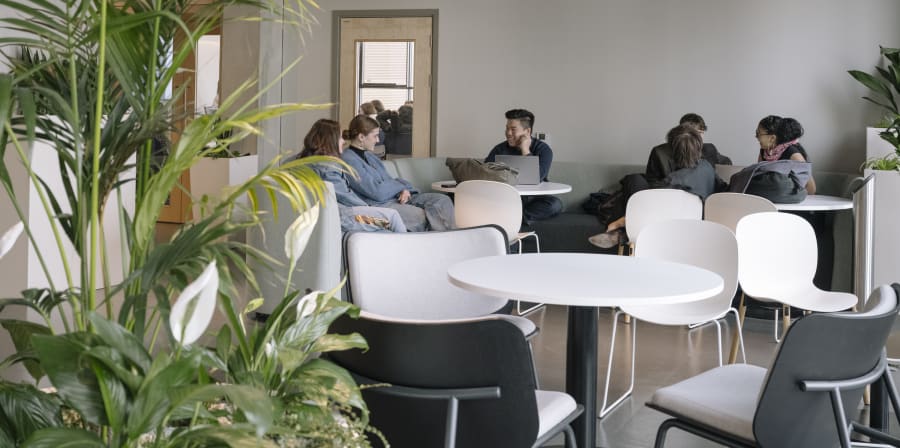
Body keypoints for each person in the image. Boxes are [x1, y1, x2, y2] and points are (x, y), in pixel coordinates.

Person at [589, 125, 719, 248]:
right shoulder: (707, 168)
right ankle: (622, 232)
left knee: (633, 181)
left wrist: (621, 221)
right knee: (634, 180)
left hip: (664, 221)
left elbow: (654, 207)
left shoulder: (671, 181)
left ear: (672, 150)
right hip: (693, 221)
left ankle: (621, 231)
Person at [341, 115, 455, 231]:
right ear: (361, 137)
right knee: (420, 216)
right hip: (381, 205)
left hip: (397, 196)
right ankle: (442, 241)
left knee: (442, 200)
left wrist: (404, 190)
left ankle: (446, 238)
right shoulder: (349, 160)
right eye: (375, 136)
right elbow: (377, 192)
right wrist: (401, 186)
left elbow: (389, 179)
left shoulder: (369, 155)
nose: (378, 140)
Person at [298, 119, 407, 233]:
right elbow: (346, 197)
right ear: (331, 140)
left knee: (386, 228)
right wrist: (369, 209)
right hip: (349, 217)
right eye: (340, 137)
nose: (343, 141)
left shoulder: (297, 161)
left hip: (334, 215)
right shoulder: (329, 167)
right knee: (392, 218)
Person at [485, 108, 563, 222]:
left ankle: (511, 219)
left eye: (513, 129)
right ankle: (514, 218)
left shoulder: (544, 150)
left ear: (527, 131)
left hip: (534, 198)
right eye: (507, 128)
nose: (508, 133)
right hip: (506, 197)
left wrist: (525, 150)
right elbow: (484, 171)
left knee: (555, 205)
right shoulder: (499, 149)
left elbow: (538, 176)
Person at [645, 113, 732, 183]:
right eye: (694, 133)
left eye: (701, 133)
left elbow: (726, 162)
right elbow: (652, 181)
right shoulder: (659, 152)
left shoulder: (709, 149)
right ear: (681, 131)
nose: (699, 137)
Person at [755, 115, 816, 194]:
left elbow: (811, 188)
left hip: (791, 201)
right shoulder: (764, 152)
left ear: (772, 138)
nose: (756, 137)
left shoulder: (793, 153)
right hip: (770, 198)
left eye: (759, 133)